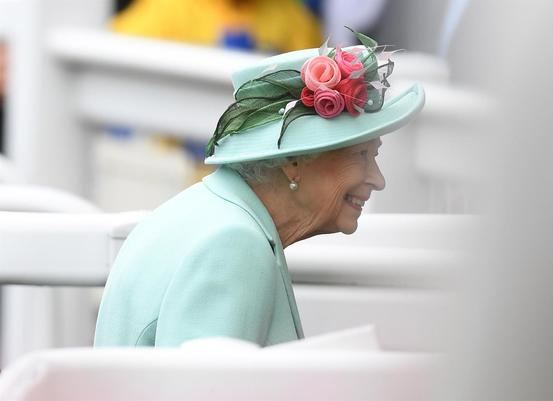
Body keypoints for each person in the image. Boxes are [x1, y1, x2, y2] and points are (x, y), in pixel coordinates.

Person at [94, 29, 425, 347]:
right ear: (294, 161)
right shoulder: (233, 244)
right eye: (361, 155)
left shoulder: (208, 213)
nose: (377, 179)